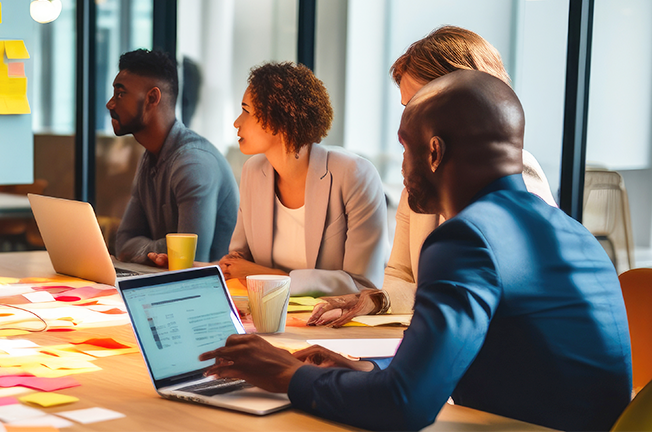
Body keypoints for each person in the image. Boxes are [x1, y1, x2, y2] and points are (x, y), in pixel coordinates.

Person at [200, 70, 632, 432]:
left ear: (434, 151)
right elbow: (488, 371)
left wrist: (288, 375)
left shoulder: (466, 238)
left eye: (406, 149)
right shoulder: (573, 234)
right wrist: (360, 371)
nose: (402, 169)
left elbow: (405, 406)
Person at [309, 25, 557, 326]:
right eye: (406, 108)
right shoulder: (421, 182)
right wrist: (378, 300)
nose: (407, 122)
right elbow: (401, 275)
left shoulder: (518, 175)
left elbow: (490, 294)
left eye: (418, 105)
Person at [219, 62, 388, 296]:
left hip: (333, 323)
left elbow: (365, 285)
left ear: (279, 121)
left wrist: (277, 279)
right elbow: (239, 258)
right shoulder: (253, 171)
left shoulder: (354, 174)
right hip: (268, 311)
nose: (237, 122)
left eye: (246, 111)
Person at [110, 49, 240, 265]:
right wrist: (164, 249)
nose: (110, 104)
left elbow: (191, 260)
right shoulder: (150, 156)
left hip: (211, 292)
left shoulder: (193, 163)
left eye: (120, 94)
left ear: (152, 98)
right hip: (169, 284)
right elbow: (123, 244)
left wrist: (153, 250)